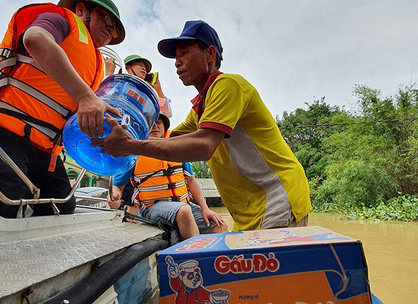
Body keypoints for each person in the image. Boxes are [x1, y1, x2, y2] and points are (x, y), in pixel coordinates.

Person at [94, 20, 312, 231]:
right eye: (176, 56)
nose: (177, 62)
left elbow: (203, 146)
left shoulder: (228, 86)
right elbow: (168, 142)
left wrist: (130, 145)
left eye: (184, 53)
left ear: (210, 54)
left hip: (276, 198)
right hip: (251, 209)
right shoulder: (201, 107)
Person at [0, 0, 126, 218]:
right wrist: (85, 96)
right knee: (5, 203)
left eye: (116, 29)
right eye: (107, 20)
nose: (111, 30)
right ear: (81, 11)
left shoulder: (95, 64)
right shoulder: (61, 19)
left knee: (60, 207)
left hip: (43, 148)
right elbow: (36, 39)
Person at [108, 112, 227, 239]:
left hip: (183, 204)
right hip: (153, 208)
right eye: (150, 123)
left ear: (164, 126)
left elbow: (191, 181)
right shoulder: (133, 154)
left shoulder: (176, 149)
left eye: (158, 122)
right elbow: (117, 187)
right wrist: (114, 196)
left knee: (219, 225)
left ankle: (211, 257)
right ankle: (193, 257)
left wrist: (205, 208)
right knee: (184, 211)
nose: (155, 126)